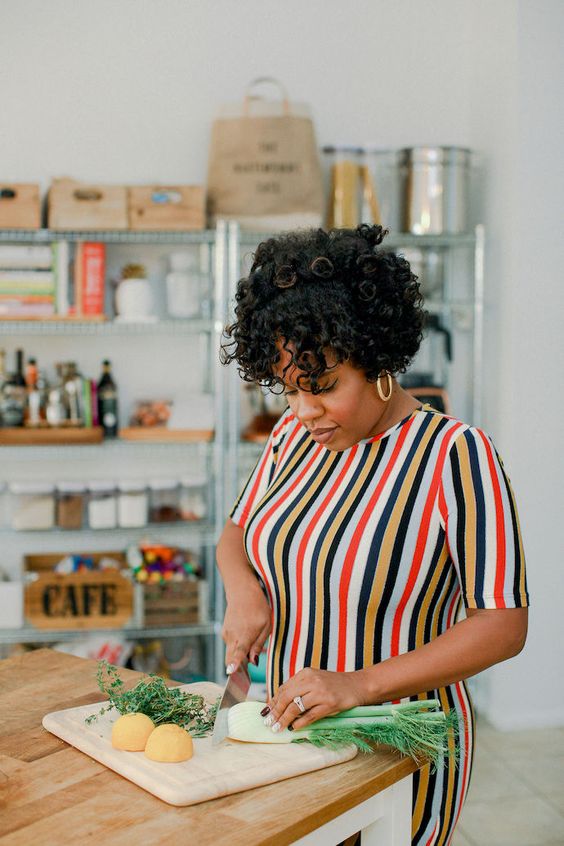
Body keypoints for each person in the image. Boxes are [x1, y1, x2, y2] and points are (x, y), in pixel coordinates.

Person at [217, 224, 529, 845]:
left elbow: (503, 623)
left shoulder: (454, 455)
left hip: (396, 744)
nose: (303, 410)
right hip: (291, 732)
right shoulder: (291, 438)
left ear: (380, 359)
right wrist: (243, 591)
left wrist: (358, 683)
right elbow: (236, 531)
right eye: (288, 388)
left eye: (324, 387)